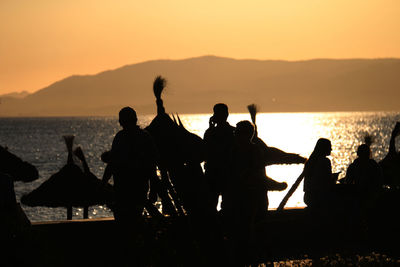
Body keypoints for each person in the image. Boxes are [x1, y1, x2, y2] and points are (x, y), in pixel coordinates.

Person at [223, 120, 267, 265]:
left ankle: (246, 256)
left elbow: (257, 172)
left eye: (237, 132)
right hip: (235, 195)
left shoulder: (254, 151)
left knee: (246, 228)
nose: (234, 134)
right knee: (235, 228)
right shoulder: (233, 150)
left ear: (245, 134)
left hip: (248, 195)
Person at [203, 103, 235, 210]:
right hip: (219, 174)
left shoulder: (212, 132)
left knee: (215, 204)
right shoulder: (233, 131)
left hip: (224, 173)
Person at [303, 138, 338, 211]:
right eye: (329, 147)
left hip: (307, 197)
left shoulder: (309, 162)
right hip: (318, 197)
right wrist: (334, 178)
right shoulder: (325, 161)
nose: (331, 149)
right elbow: (328, 183)